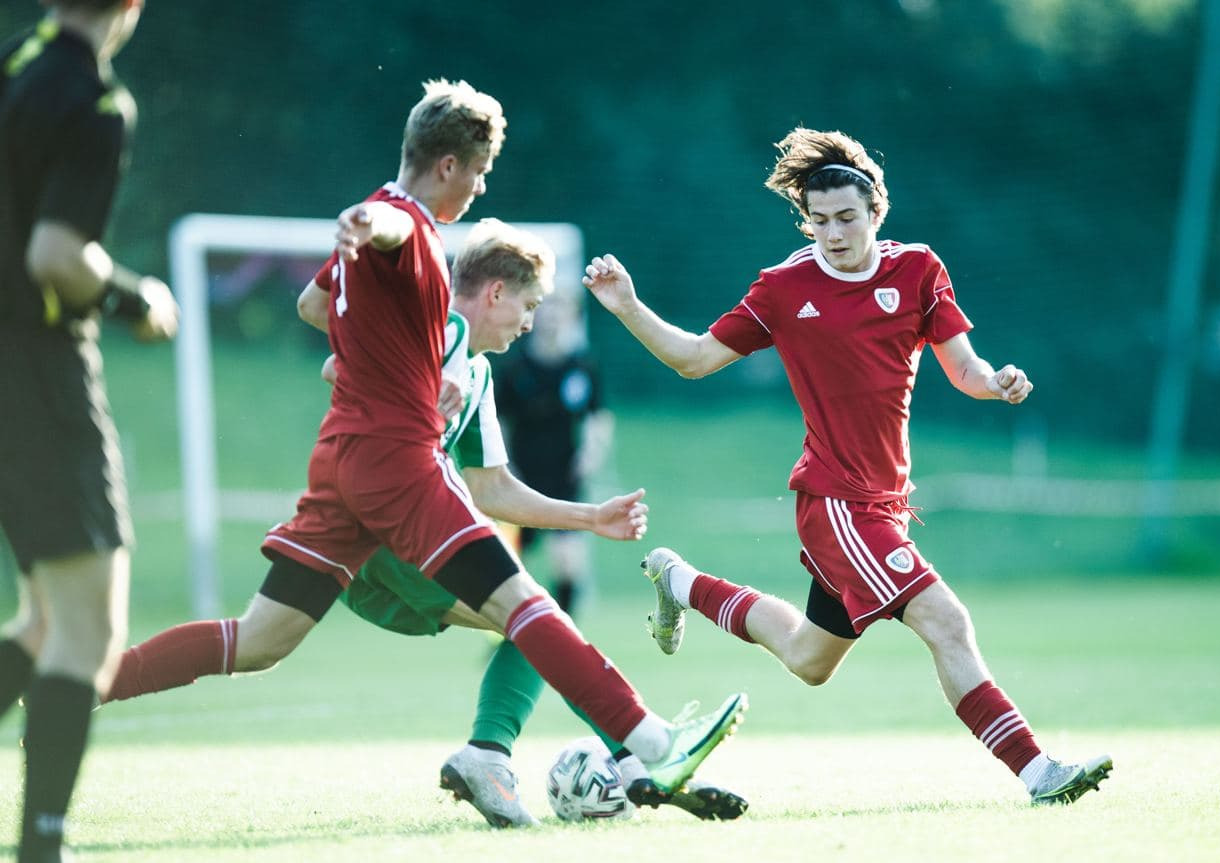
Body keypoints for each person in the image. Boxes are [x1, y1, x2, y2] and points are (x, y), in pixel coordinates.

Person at [97, 78, 747, 824]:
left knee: (259, 641)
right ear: (447, 166)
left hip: (342, 459)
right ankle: (653, 744)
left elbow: (314, 304)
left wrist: (381, 353)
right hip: (399, 462)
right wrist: (367, 227)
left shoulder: (397, 258)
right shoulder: (407, 223)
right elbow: (387, 227)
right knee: (529, 607)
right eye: (480, 172)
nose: (480, 187)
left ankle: (81, 683)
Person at [582, 127, 1112, 807]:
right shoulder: (784, 287)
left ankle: (678, 579)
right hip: (837, 503)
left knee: (809, 659)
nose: (832, 234)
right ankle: (1039, 773)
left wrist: (996, 381)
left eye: (846, 218)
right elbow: (694, 358)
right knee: (946, 621)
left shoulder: (918, 270)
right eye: (819, 220)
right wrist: (628, 306)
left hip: (885, 503)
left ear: (875, 212)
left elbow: (964, 369)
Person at [0, 0, 181, 859]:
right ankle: (42, 846)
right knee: (89, 628)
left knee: (44, 620)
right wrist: (135, 298)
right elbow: (56, 255)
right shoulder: (97, 101)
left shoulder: (12, 61)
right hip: (36, 372)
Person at [495, 286, 613, 616]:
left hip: (565, 476)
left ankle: (564, 629)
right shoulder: (515, 367)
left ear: (571, 318)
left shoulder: (582, 367)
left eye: (560, 311)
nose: (552, 318)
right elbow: (498, 421)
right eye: (546, 310)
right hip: (520, 479)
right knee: (510, 565)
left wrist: (591, 454)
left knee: (568, 562)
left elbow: (598, 417)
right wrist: (503, 465)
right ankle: (510, 632)